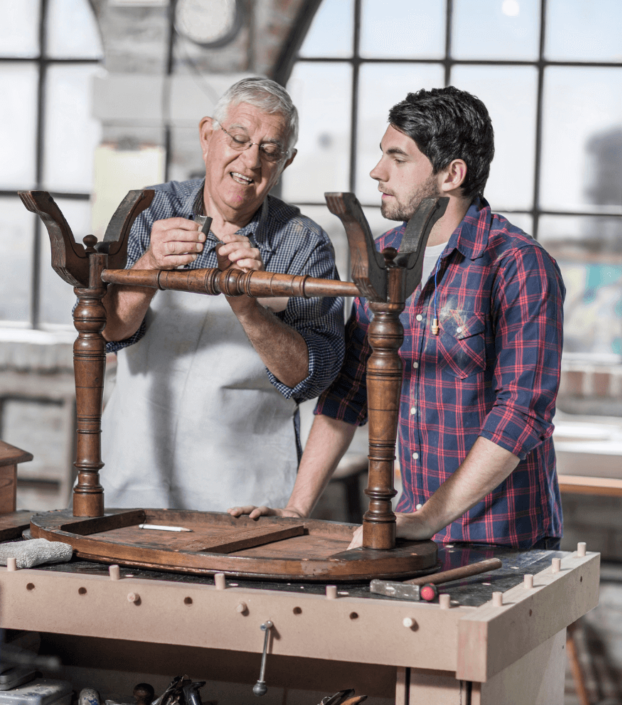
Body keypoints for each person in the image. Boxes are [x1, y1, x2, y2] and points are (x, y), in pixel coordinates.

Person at [230, 87, 565, 550]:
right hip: (413, 530)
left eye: (398, 158)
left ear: (452, 174)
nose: (377, 171)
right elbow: (349, 393)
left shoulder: (518, 264)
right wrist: (296, 510)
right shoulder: (384, 254)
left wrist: (428, 518)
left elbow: (521, 413)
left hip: (504, 540)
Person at [98, 77, 346, 511]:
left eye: (270, 150)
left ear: (286, 162)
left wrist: (248, 306)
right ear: (207, 135)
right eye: (239, 139)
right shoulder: (149, 209)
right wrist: (149, 265)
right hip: (134, 473)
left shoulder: (304, 244)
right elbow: (106, 331)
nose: (250, 161)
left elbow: (312, 377)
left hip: (245, 490)